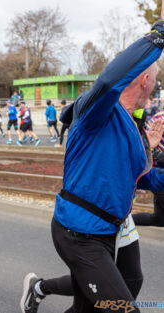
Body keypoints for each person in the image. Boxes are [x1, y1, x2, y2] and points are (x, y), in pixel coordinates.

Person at [48, 16, 164, 313]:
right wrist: (158, 35)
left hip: (108, 232)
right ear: (145, 79)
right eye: (157, 80)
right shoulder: (95, 108)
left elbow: (144, 178)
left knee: (97, 302)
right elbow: (110, 80)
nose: (156, 88)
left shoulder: (132, 125)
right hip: (79, 233)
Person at [20, 107, 164, 313]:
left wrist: (144, 150)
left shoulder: (136, 114)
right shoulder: (102, 109)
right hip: (89, 221)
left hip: (120, 216)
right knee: (104, 294)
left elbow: (140, 172)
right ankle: (40, 287)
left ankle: (39, 288)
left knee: (128, 282)